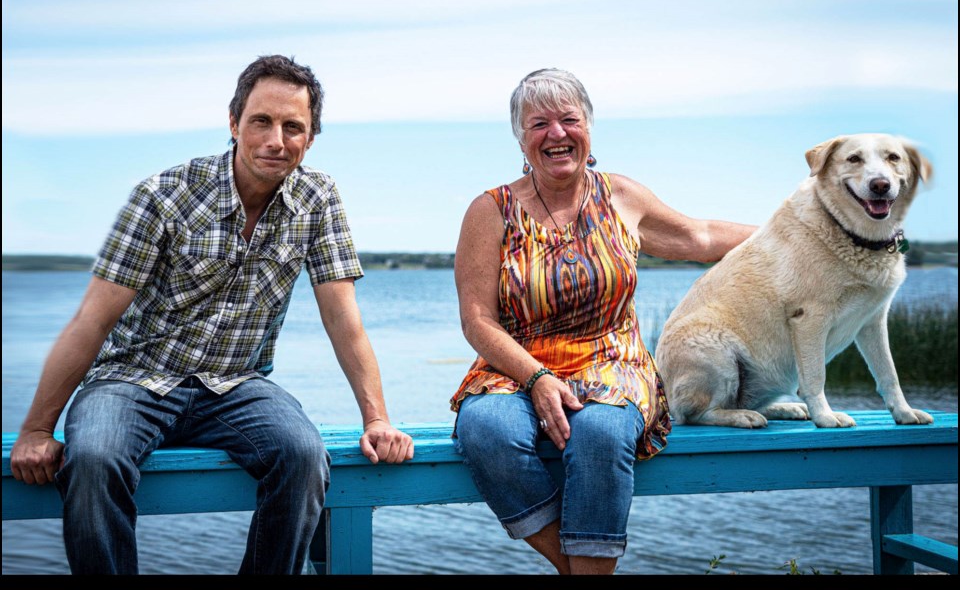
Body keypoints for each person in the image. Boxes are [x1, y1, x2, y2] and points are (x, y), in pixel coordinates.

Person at [9, 54, 414, 575]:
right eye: (261, 122)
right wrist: (39, 429)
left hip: (234, 385)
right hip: (132, 379)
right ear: (233, 122)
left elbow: (344, 320)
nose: (277, 140)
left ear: (310, 138)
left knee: (303, 456)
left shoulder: (319, 199)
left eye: (294, 127)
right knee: (93, 460)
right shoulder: (164, 195)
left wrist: (376, 419)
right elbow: (93, 319)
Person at [450, 68, 755, 575]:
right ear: (520, 138)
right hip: (515, 362)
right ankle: (580, 571)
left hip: (612, 359)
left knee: (601, 433)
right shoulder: (490, 211)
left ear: (588, 127)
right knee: (486, 430)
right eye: (539, 123)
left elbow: (699, 237)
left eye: (569, 119)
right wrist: (538, 378)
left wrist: (796, 231)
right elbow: (477, 319)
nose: (557, 133)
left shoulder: (621, 196)